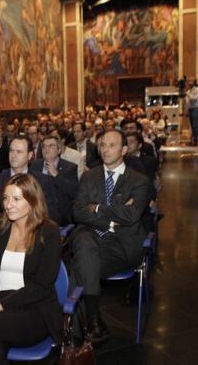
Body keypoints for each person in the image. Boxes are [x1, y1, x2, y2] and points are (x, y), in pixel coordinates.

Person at [0, 173, 63, 363]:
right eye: (6, 198)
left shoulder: (48, 232)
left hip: (35, 310)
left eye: (17, 199)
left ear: (33, 200)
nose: (9, 205)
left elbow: (42, 285)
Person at [68, 130, 149, 343]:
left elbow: (132, 216)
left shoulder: (139, 180)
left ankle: (73, 335)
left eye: (112, 145)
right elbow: (77, 212)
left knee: (80, 269)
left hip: (120, 243)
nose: (105, 150)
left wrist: (96, 209)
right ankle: (93, 319)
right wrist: (114, 216)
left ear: (124, 149)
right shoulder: (89, 175)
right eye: (103, 145)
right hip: (89, 234)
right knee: (84, 243)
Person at [0, 136, 60, 226]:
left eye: (19, 152)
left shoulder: (43, 181)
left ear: (29, 155)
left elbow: (50, 214)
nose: (13, 155)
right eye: (11, 151)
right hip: (4, 230)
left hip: (33, 230)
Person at [30, 135, 78, 225]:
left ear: (59, 150)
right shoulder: (35, 165)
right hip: (37, 208)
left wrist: (56, 174)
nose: (46, 149)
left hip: (59, 211)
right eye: (44, 146)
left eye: (51, 146)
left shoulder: (70, 167)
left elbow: (74, 192)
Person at [185, 77, 198, 146]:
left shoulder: (197, 89)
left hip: (196, 108)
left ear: (194, 82)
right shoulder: (188, 91)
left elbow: (195, 99)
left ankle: (195, 140)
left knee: (196, 125)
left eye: (192, 81)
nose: (190, 83)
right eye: (189, 81)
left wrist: (188, 95)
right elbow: (187, 101)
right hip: (190, 109)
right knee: (191, 126)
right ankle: (192, 140)